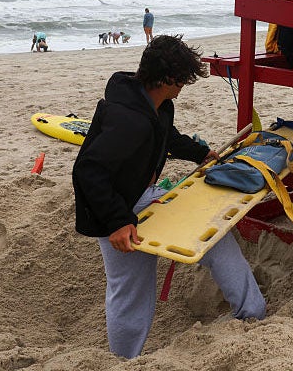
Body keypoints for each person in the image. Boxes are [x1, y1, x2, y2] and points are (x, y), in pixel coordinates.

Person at [71, 35, 266, 358]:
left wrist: (201, 152)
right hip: (113, 209)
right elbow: (87, 172)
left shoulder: (155, 104)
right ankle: (123, 360)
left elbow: (167, 136)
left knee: (214, 237)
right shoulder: (127, 121)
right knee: (131, 290)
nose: (182, 89)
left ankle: (252, 312)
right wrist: (118, 222)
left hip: (144, 194)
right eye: (180, 82)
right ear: (165, 79)